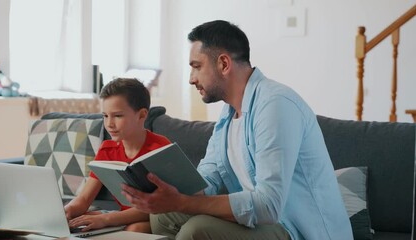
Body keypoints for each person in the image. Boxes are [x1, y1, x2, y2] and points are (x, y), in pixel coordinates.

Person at [121, 20, 353, 240]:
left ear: (223, 64)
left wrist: (183, 202)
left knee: (196, 230)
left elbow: (269, 205)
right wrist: (165, 189)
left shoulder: (275, 104)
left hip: (297, 229)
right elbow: (207, 181)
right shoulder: (229, 114)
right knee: (162, 218)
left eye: (197, 67)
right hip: (265, 221)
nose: (191, 79)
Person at [65, 78, 171, 233]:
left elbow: (163, 205)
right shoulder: (107, 150)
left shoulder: (161, 148)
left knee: (135, 230)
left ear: (142, 115)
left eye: (118, 116)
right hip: (121, 218)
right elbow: (84, 199)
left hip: (156, 217)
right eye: (105, 116)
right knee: (80, 226)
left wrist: (106, 219)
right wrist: (66, 212)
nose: (109, 124)